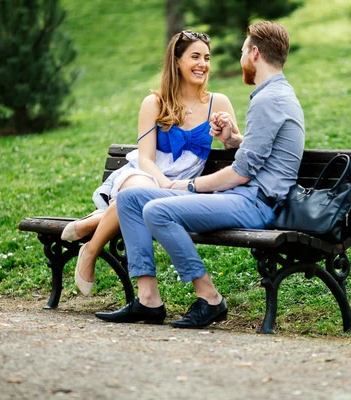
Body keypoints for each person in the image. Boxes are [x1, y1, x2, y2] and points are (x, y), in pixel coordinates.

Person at [95, 21, 305, 328]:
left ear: (255, 54)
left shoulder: (269, 99)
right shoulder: (273, 95)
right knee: (129, 198)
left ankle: (210, 299)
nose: (241, 57)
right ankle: (148, 301)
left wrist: (190, 185)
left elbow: (241, 174)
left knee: (157, 210)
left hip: (257, 202)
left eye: (243, 51)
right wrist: (233, 140)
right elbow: (261, 153)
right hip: (244, 196)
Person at [60, 30, 238, 296]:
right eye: (195, 57)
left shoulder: (218, 102)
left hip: (183, 185)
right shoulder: (154, 102)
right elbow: (145, 158)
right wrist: (165, 185)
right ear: (177, 61)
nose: (203, 64)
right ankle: (91, 251)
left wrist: (230, 132)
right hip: (146, 173)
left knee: (136, 202)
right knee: (135, 194)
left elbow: (233, 145)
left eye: (207, 58)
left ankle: (94, 222)